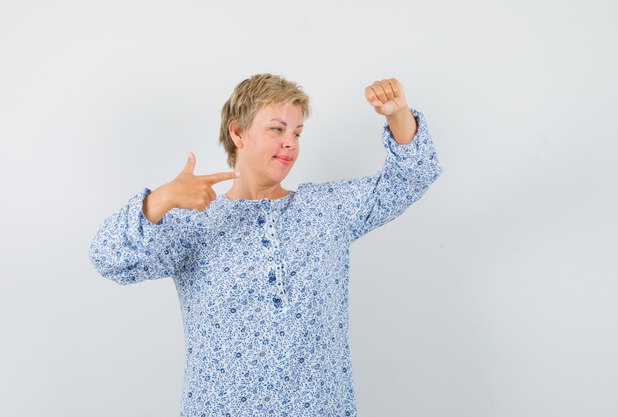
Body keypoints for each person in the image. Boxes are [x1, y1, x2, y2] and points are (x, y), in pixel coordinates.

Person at [89, 73, 443, 416]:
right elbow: (109, 259)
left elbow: (412, 177)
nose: (291, 142)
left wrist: (397, 113)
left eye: (298, 132)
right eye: (277, 129)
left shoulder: (326, 210)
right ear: (238, 132)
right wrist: (161, 200)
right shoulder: (194, 222)